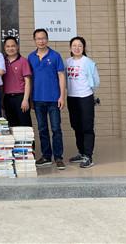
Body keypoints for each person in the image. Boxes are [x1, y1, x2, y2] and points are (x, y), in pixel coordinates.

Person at [28, 28, 67, 170]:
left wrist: (62, 96)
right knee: (42, 129)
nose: (41, 41)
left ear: (47, 39)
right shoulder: (31, 57)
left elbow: (61, 76)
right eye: (38, 38)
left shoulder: (55, 56)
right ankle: (46, 156)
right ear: (34, 40)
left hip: (54, 99)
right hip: (38, 99)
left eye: (43, 38)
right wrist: (30, 98)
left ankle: (58, 157)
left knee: (56, 129)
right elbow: (29, 79)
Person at [66, 36, 100, 169]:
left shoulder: (88, 62)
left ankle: (88, 156)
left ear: (84, 48)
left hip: (85, 97)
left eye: (80, 46)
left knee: (87, 127)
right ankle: (81, 152)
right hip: (72, 97)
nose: (77, 48)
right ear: (70, 48)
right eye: (74, 46)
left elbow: (96, 81)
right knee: (76, 126)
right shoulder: (67, 62)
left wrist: (88, 91)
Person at [2, 36, 32, 127]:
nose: (10, 48)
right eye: (8, 46)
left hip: (21, 97)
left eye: (13, 46)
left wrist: (25, 100)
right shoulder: (2, 61)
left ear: (17, 47)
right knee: (11, 126)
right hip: (7, 98)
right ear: (4, 48)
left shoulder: (23, 61)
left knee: (25, 126)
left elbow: (28, 82)